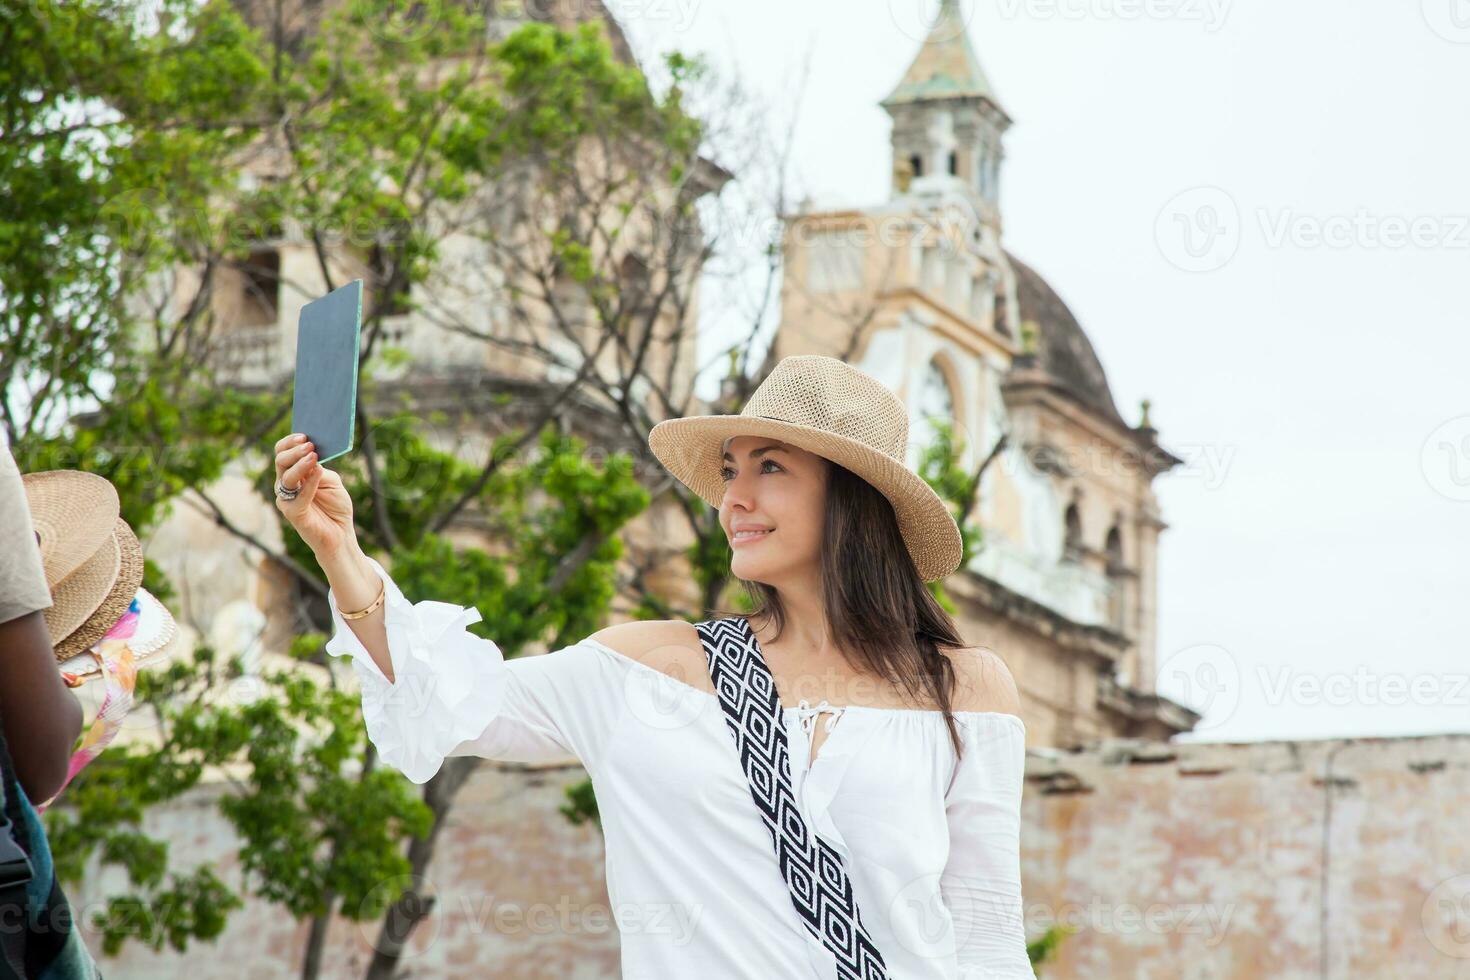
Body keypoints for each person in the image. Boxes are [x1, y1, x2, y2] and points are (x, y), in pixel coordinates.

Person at [272, 354, 1035, 979]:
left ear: (855, 498)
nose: (733, 497)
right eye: (730, 471)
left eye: (769, 467)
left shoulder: (964, 690)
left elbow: (988, 939)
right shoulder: (649, 669)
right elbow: (445, 698)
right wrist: (339, 549)